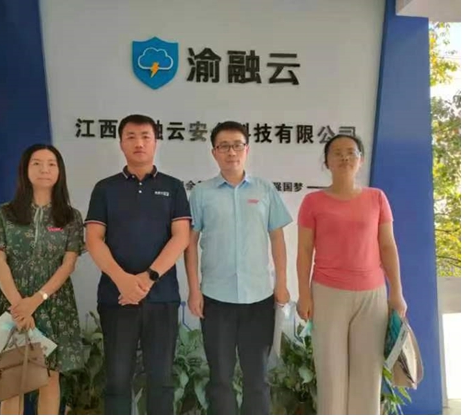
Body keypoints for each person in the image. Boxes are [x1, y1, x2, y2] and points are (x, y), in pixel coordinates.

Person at [85, 114, 191, 414]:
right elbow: (93, 239)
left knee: (161, 380)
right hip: (116, 297)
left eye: (145, 136)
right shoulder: (105, 188)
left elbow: (181, 237)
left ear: (156, 142)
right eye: (131, 137)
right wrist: (123, 280)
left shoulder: (173, 187)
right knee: (117, 380)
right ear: (121, 143)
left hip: (162, 298)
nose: (139, 143)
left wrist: (147, 278)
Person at [184, 121, 292, 414]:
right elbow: (190, 244)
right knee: (220, 378)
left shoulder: (264, 189)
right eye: (224, 146)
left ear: (247, 149)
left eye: (237, 145)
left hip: (259, 298)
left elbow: (277, 239)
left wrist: (282, 283)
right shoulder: (201, 193)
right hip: (215, 299)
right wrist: (194, 289)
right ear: (214, 152)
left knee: (257, 377)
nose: (231, 152)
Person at [296, 134, 408, 415]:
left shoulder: (376, 198)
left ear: (361, 159)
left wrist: (396, 292)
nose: (344, 157)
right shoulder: (312, 201)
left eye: (351, 152)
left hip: (372, 295)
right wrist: (304, 294)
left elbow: (387, 246)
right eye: (336, 152)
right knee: (331, 374)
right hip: (327, 294)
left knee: (368, 376)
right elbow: (305, 250)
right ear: (326, 162)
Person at [0, 144, 85, 414]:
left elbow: (68, 264)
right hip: (12, 304)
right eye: (37, 163)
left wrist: (37, 300)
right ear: (25, 170)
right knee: (11, 379)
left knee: (49, 378)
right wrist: (19, 306)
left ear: (59, 171)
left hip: (53, 305)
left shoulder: (71, 217)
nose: (44, 169)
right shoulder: (5, 213)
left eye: (51, 164)